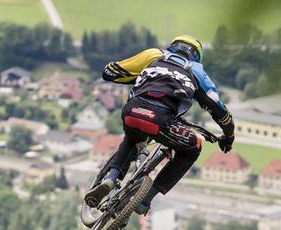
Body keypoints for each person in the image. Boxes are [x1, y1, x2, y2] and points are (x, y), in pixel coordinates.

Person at [84, 35, 235, 216]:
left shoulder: (154, 55)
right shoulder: (197, 71)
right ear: (197, 56)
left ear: (172, 46)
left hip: (132, 112)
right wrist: (228, 135)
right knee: (193, 147)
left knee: (133, 138)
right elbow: (219, 110)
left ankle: (110, 178)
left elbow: (110, 72)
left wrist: (143, 76)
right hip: (161, 119)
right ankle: (146, 199)